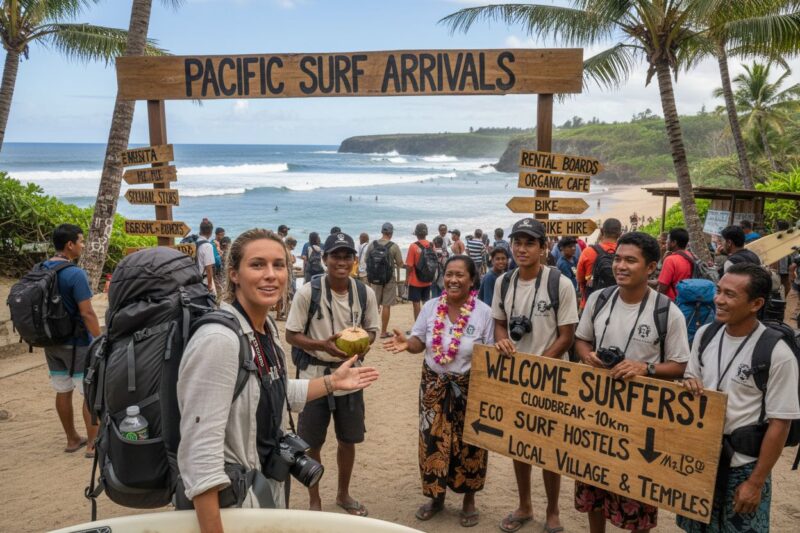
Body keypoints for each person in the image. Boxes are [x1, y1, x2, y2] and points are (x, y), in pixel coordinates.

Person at [177, 229, 379, 526]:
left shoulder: (264, 328)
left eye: (279, 265)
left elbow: (271, 390)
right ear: (234, 274)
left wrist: (332, 382)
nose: (271, 275)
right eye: (257, 265)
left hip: (262, 487)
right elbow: (200, 457)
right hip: (232, 502)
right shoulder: (219, 340)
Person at [574, 231, 690, 533]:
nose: (620, 266)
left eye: (630, 260)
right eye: (617, 259)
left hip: (641, 421)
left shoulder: (667, 312)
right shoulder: (599, 299)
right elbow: (582, 340)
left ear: (651, 267)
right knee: (593, 487)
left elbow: (680, 365)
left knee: (637, 497)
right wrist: (588, 356)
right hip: (597, 412)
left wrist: (645, 368)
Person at [679, 263, 800, 533]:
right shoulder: (705, 334)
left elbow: (781, 423)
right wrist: (689, 383)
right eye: (719, 291)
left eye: (730, 295)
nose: (719, 300)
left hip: (743, 467)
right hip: (701, 460)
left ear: (756, 303)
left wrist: (755, 483)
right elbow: (691, 377)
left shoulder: (776, 354)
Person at [384, 256, 493, 528]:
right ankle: (436, 497)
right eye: (449, 274)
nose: (453, 280)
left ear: (472, 279)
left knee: (470, 443)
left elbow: (489, 354)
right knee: (431, 440)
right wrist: (406, 343)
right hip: (433, 385)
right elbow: (419, 341)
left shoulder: (484, 313)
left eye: (460, 275)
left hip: (469, 387)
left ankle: (469, 500)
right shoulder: (432, 307)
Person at [492, 218, 579, 533]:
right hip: (515, 375)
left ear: (544, 248)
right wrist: (502, 339)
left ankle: (553, 511)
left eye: (530, 243)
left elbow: (567, 335)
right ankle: (525, 505)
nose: (521, 249)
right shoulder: (505, 281)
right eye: (517, 242)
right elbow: (499, 321)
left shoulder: (560, 283)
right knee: (520, 443)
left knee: (550, 447)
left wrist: (541, 364)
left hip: (551, 377)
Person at [285, 232, 380, 517]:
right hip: (314, 378)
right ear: (324, 259)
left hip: (350, 379)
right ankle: (315, 498)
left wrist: (359, 344)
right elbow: (291, 334)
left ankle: (343, 493)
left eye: (347, 256)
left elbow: (372, 330)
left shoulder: (365, 293)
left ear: (354, 261)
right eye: (335, 256)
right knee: (312, 442)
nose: (341, 261)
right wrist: (323, 345)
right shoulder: (307, 292)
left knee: (348, 440)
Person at [42, 224, 101, 457]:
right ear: (70, 245)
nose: (83, 245)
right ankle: (92, 444)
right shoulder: (75, 274)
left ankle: (72, 439)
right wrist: (99, 339)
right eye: (81, 240)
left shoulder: (41, 268)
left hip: (50, 342)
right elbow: (87, 312)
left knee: (62, 390)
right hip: (77, 343)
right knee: (88, 392)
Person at [366, 222, 404, 339]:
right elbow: (400, 263)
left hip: (375, 278)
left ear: (382, 232)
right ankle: (383, 332)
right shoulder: (394, 246)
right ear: (391, 233)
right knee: (386, 305)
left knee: (373, 305)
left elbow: (366, 259)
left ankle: (369, 329)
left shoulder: (372, 244)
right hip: (389, 279)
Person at [577, 218, 621, 309]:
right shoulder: (624, 252)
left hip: (591, 302)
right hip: (616, 302)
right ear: (620, 234)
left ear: (601, 231)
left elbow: (580, 278)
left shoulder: (588, 252)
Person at [657, 228, 696, 301]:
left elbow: (663, 287)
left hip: (672, 302)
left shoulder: (670, 260)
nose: (666, 242)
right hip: (686, 300)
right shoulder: (691, 256)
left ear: (674, 242)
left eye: (667, 240)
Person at [406, 223, 434, 321]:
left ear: (416, 234)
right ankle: (427, 324)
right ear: (426, 233)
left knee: (416, 303)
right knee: (426, 302)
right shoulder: (431, 245)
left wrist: (407, 280)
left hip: (415, 281)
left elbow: (409, 265)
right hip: (428, 280)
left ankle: (418, 326)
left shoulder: (413, 246)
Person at [197, 218, 217, 296]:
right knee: (213, 301)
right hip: (204, 279)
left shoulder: (196, 242)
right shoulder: (208, 246)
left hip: (197, 277)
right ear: (210, 232)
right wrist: (210, 285)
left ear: (200, 230)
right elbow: (209, 268)